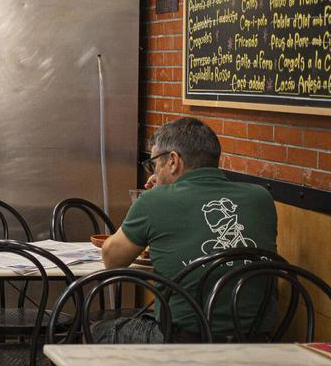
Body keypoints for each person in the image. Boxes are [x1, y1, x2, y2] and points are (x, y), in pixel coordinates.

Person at [101, 117, 278, 339]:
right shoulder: (261, 197)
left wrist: (151, 200)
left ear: (173, 161)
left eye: (154, 164)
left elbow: (112, 259)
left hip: (182, 341)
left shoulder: (154, 201)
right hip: (257, 340)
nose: (153, 173)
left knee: (98, 331)